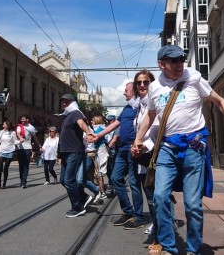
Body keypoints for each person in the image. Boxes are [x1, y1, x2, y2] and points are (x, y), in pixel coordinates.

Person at [134, 45, 224, 255]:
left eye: (181, 59)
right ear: (161, 64)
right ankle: (168, 246)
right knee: (159, 197)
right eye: (173, 61)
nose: (179, 64)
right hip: (167, 147)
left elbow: (218, 100)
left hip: (194, 147)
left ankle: (194, 249)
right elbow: (149, 116)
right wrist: (138, 139)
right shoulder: (155, 87)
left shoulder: (193, 78)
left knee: (193, 204)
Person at [89, 82, 145, 229]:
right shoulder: (126, 108)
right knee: (115, 178)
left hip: (134, 148)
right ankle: (128, 211)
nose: (124, 93)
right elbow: (114, 125)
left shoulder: (141, 106)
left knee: (134, 183)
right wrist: (98, 135)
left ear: (134, 91)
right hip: (122, 149)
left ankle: (138, 216)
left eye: (126, 90)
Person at [129, 69, 164, 253]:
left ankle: (160, 238)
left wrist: (142, 146)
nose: (142, 85)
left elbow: (157, 131)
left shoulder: (155, 105)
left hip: (153, 156)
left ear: (152, 84)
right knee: (152, 198)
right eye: (139, 83)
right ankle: (162, 232)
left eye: (146, 82)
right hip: (143, 159)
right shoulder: (141, 106)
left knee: (154, 199)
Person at [58, 93, 94, 218]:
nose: (63, 103)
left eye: (66, 102)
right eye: (62, 101)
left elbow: (82, 124)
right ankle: (83, 197)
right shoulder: (65, 117)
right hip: (65, 153)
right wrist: (59, 156)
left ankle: (78, 207)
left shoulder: (76, 113)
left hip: (74, 151)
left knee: (69, 180)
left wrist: (88, 133)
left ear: (72, 102)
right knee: (63, 180)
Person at [0, 121, 20, 189]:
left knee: (5, 168)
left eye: (4, 124)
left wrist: (20, 141)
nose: (2, 125)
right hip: (2, 151)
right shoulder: (2, 132)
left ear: (7, 125)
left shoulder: (13, 133)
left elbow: (15, 141)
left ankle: (4, 183)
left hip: (10, 151)